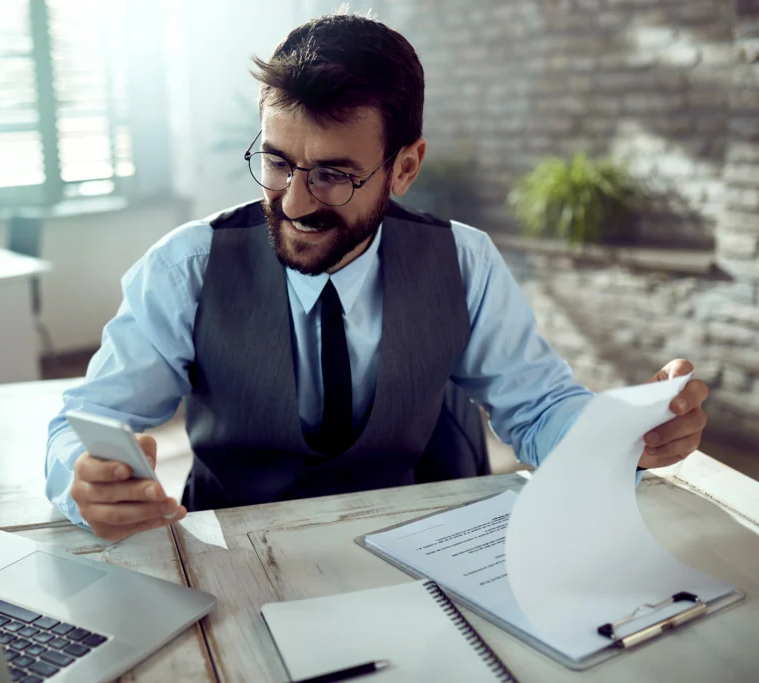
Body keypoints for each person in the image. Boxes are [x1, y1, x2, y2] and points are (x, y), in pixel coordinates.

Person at [45, 13, 709, 541]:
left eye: (334, 173)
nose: (297, 202)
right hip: (236, 546)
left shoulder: (463, 262)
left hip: (421, 543)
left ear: (406, 167)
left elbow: (537, 408)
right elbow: (88, 419)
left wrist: (625, 433)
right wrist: (84, 481)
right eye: (277, 163)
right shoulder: (186, 266)